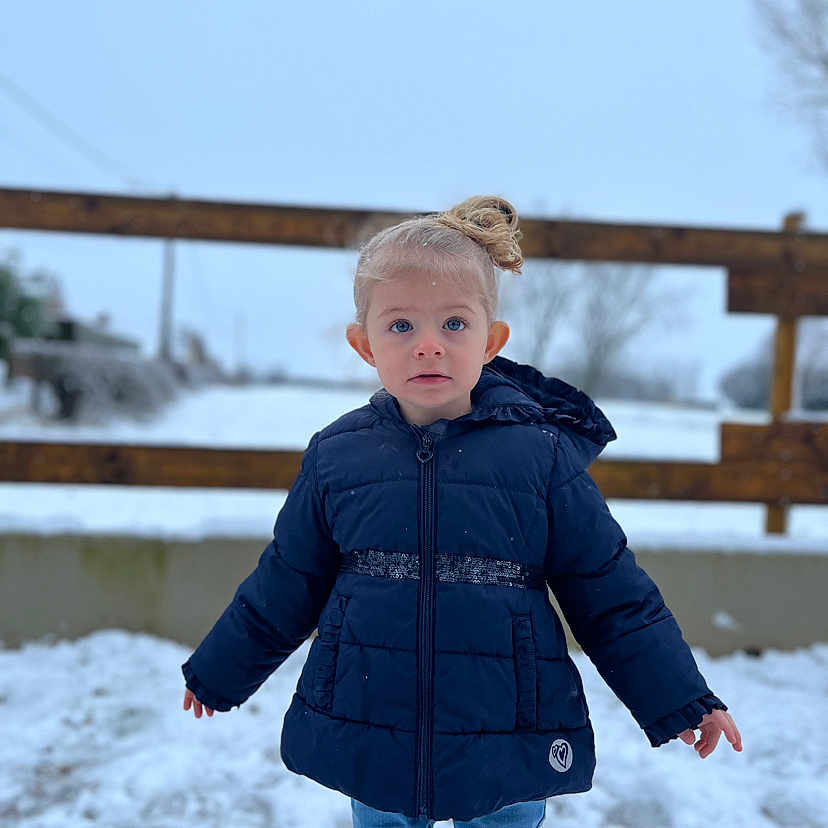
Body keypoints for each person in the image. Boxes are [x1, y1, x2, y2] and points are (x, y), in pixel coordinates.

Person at [181, 195, 743, 827]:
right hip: (375, 720)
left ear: (490, 339)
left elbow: (610, 592)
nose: (428, 347)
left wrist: (679, 697)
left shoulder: (540, 458)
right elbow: (287, 581)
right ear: (364, 344)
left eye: (453, 324)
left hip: (506, 724)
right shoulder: (338, 458)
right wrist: (219, 672)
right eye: (401, 327)